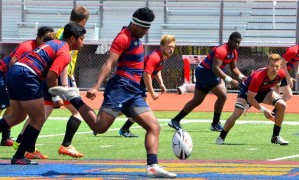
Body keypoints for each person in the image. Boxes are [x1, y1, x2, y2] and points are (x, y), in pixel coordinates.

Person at [49, 8, 176, 178]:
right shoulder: (123, 37)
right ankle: (73, 97)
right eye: (144, 29)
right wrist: (95, 85)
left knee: (154, 126)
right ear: (136, 25)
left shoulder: (135, 36)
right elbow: (109, 63)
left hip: (134, 92)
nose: (146, 32)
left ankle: (152, 166)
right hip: (120, 88)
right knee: (99, 127)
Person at [0, 23, 86, 165]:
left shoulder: (54, 43)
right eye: (82, 39)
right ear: (72, 39)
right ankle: (19, 156)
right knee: (38, 119)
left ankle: (20, 155)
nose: (83, 43)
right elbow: (52, 75)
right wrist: (55, 97)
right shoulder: (65, 52)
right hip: (26, 75)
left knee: (17, 116)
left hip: (15, 72)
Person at [168, 32, 246, 132]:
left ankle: (175, 120)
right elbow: (215, 68)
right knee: (223, 96)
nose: (237, 44)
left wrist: (242, 77)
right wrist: (229, 80)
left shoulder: (234, 52)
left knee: (197, 101)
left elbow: (234, 68)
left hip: (206, 73)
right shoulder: (221, 50)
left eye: (239, 42)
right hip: (205, 72)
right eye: (235, 42)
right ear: (230, 40)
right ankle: (215, 123)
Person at [216, 54, 289, 145]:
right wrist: (264, 110)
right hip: (247, 92)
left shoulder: (281, 73)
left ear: (280, 67)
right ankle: (221, 136)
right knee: (236, 114)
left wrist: (277, 100)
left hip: (263, 91)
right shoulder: (258, 77)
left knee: (282, 105)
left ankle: (276, 137)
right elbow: (250, 98)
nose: (274, 68)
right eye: (272, 65)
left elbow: (277, 85)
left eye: (277, 66)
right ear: (267, 66)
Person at [0, 26, 55, 147]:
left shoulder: (45, 49)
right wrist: (11, 83)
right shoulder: (27, 46)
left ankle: (5, 138)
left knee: (12, 108)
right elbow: (12, 63)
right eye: (45, 39)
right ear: (38, 38)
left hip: (15, 76)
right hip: (4, 74)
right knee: (3, 106)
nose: (48, 42)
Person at [118, 34, 176, 138]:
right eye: (169, 47)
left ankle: (105, 118)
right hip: (137, 82)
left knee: (134, 108)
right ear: (162, 46)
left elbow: (157, 70)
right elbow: (146, 75)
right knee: (141, 109)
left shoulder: (163, 57)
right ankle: (122, 128)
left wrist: (161, 83)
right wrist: (152, 92)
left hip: (139, 82)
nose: (171, 49)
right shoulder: (155, 57)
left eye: (173, 47)